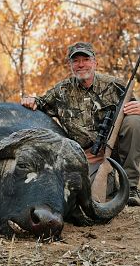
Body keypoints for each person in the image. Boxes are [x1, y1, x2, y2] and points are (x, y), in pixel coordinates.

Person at [21, 42, 140, 207]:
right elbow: (39, 103)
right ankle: (108, 181)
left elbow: (133, 107)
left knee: (134, 121)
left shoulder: (114, 85)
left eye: (86, 59)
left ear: (95, 62)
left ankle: (131, 188)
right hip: (84, 158)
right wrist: (30, 100)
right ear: (70, 65)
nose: (81, 64)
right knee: (84, 196)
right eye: (76, 61)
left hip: (114, 150)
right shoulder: (61, 90)